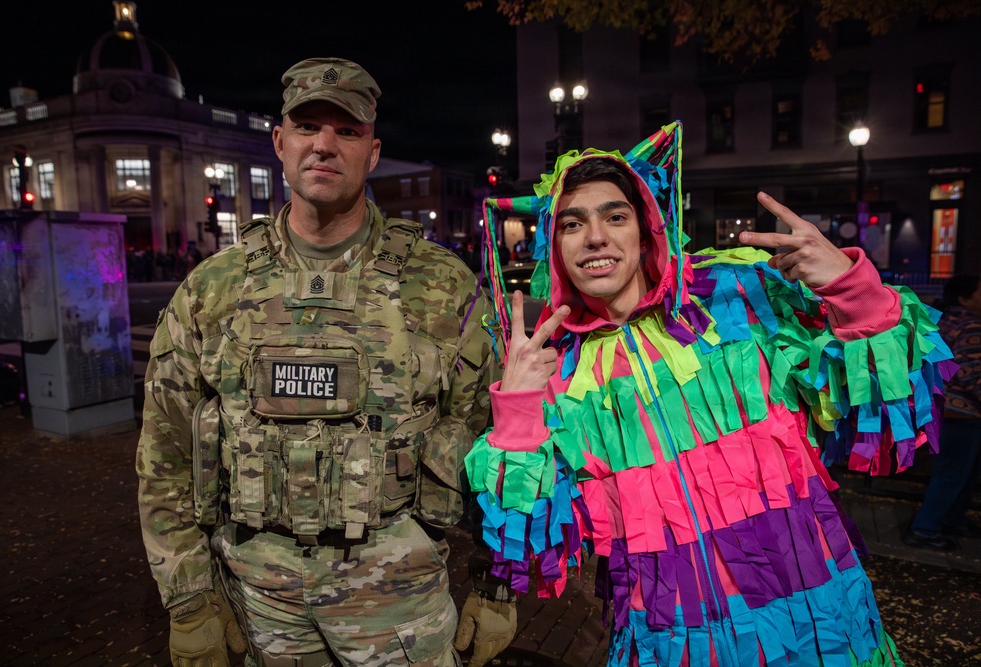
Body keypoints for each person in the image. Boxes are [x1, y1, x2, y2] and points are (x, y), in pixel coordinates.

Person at [466, 123, 955, 665]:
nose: (596, 238)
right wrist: (517, 416)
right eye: (572, 224)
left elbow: (888, 407)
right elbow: (532, 547)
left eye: (615, 217)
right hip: (674, 639)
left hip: (818, 623)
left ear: (647, 230)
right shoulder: (558, 373)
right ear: (555, 249)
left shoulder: (738, 299)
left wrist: (850, 290)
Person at [136, 57, 501, 667]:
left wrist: (497, 586)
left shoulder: (442, 288)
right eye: (307, 126)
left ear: (373, 152)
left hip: (400, 604)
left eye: (347, 131)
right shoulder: (213, 289)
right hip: (262, 604)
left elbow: (497, 444)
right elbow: (164, 454)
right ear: (280, 143)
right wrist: (189, 601)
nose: (324, 145)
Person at [903, 274, 981, 550]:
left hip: (944, 407)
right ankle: (924, 529)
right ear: (965, 298)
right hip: (964, 414)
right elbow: (973, 374)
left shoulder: (943, 321)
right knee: (953, 474)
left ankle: (951, 520)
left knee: (960, 473)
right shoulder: (972, 326)